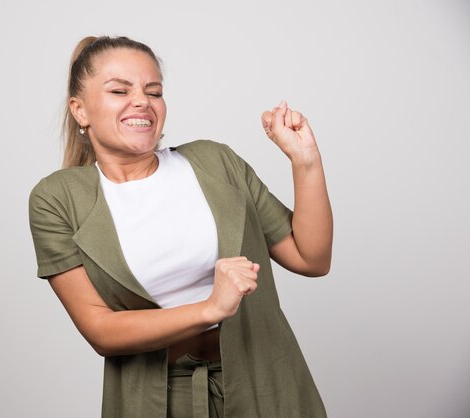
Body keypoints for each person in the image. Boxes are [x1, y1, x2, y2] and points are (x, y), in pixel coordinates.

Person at [29, 35, 333, 418]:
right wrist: (210, 308)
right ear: (80, 110)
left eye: (153, 91)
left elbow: (312, 257)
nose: (142, 100)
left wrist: (305, 160)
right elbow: (100, 330)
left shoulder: (214, 161)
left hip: (266, 386)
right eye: (120, 90)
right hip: (156, 402)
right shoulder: (57, 199)